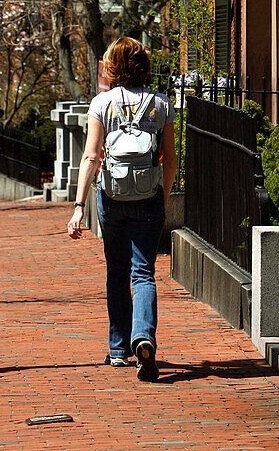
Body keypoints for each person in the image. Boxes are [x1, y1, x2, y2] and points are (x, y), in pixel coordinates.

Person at [67, 37, 178, 381]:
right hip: (148, 197)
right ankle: (143, 337)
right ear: (144, 65)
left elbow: (90, 156)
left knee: (116, 270)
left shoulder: (102, 103)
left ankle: (118, 350)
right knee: (143, 272)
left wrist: (78, 207)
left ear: (113, 67)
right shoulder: (161, 105)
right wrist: (164, 198)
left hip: (111, 197)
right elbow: (171, 160)